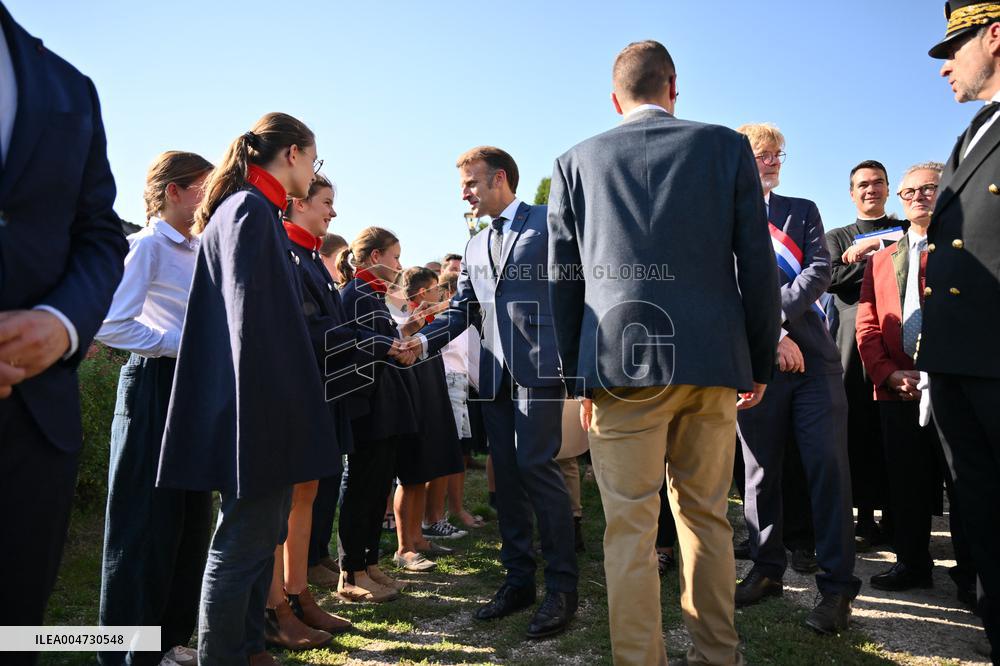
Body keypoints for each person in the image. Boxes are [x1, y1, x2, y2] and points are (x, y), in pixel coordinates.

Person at [547, 41, 779, 665]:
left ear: (615, 97)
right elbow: (756, 264)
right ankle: (716, 655)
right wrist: (756, 360)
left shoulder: (575, 161)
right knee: (707, 516)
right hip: (710, 361)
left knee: (628, 528)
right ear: (674, 86)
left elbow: (563, 281)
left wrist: (580, 381)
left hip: (619, 366)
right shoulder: (725, 146)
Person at [156, 112, 339, 666]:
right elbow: (250, 329)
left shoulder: (251, 210)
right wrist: (273, 416)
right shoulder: (249, 211)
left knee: (260, 537)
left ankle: (244, 646)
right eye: (313, 158)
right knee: (240, 543)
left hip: (264, 409)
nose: (313, 171)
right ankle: (223, 655)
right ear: (291, 154)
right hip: (257, 412)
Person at [0, 7, 128, 664]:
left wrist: (61, 324)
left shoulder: (66, 86)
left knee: (17, 631)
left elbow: (99, 236)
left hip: (32, 422)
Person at [414, 146, 579, 640]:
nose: (463, 193)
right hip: (495, 375)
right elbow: (463, 307)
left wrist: (583, 364)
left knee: (536, 465)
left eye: (470, 183)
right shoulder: (473, 245)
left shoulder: (550, 221)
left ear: (499, 179)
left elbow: (581, 290)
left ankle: (563, 589)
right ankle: (520, 581)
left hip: (542, 367)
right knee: (504, 476)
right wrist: (422, 340)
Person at [732, 123, 859, 633]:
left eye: (778, 154)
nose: (773, 161)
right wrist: (768, 340)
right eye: (763, 154)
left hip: (815, 363)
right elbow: (724, 284)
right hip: (755, 365)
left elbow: (819, 271)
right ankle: (766, 570)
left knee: (828, 470)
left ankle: (836, 588)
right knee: (759, 473)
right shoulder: (720, 218)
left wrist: (775, 323)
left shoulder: (801, 210)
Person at [95, 151, 213, 666]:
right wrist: (182, 342)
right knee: (145, 526)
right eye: (202, 189)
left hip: (193, 389)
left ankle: (168, 641)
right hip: (153, 386)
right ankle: (128, 654)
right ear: (173, 192)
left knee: (189, 523)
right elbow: (112, 325)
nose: (210, 198)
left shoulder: (200, 249)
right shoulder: (145, 246)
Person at [856, 162, 975, 597]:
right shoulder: (882, 259)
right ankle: (912, 564)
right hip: (897, 390)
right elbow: (867, 326)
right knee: (904, 483)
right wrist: (888, 374)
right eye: (909, 193)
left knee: (964, 487)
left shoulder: (967, 249)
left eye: (928, 189)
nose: (918, 197)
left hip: (954, 388)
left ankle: (972, 577)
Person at [921, 4, 1000, 658]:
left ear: (995, 36)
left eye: (957, 46)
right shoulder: (974, 132)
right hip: (957, 360)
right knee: (980, 508)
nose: (947, 64)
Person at [263, 173, 353, 649]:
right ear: (298, 204)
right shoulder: (285, 252)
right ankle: (274, 603)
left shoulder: (312, 258)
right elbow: (305, 328)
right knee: (286, 502)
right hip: (297, 391)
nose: (332, 212)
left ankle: (298, 593)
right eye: (326, 202)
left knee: (309, 495)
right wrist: (362, 339)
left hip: (322, 389)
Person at [335, 227, 423, 602]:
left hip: (384, 406)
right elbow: (346, 345)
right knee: (361, 489)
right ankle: (350, 572)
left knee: (378, 488)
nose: (400, 265)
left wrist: (402, 341)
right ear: (375, 258)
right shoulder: (353, 294)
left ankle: (369, 563)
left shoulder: (373, 295)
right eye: (396, 256)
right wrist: (389, 345)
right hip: (365, 407)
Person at [825, 160, 905, 550]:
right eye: (862, 185)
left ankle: (900, 513)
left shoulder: (907, 230)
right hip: (851, 340)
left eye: (877, 183)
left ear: (889, 188)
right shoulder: (836, 236)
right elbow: (834, 278)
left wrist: (872, 248)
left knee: (897, 426)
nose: (870, 189)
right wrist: (888, 260)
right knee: (856, 425)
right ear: (852, 192)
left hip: (902, 340)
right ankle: (864, 517)